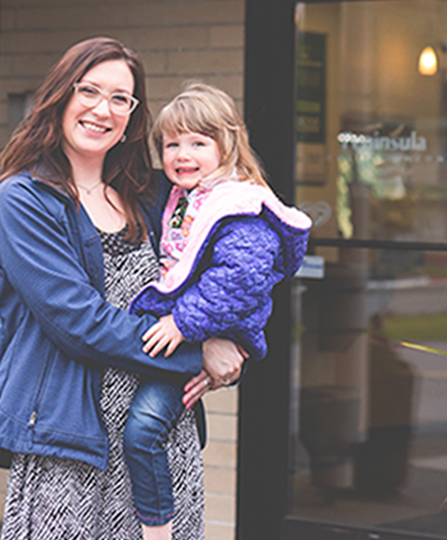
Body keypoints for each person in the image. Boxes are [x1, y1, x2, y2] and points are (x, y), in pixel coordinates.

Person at [0, 38, 245, 540]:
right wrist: (198, 351)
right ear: (59, 96)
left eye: (121, 98)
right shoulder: (23, 200)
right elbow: (79, 322)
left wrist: (240, 340)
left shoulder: (154, 193)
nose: (103, 109)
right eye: (90, 91)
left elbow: (240, 254)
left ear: (134, 115)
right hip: (68, 442)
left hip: (159, 435)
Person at [125, 83, 311, 540]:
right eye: (172, 144)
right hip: (193, 334)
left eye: (198, 143)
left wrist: (183, 323)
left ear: (228, 146)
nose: (182, 154)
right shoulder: (185, 197)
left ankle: (157, 528)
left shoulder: (238, 206)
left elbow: (240, 280)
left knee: (143, 430)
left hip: (199, 329)